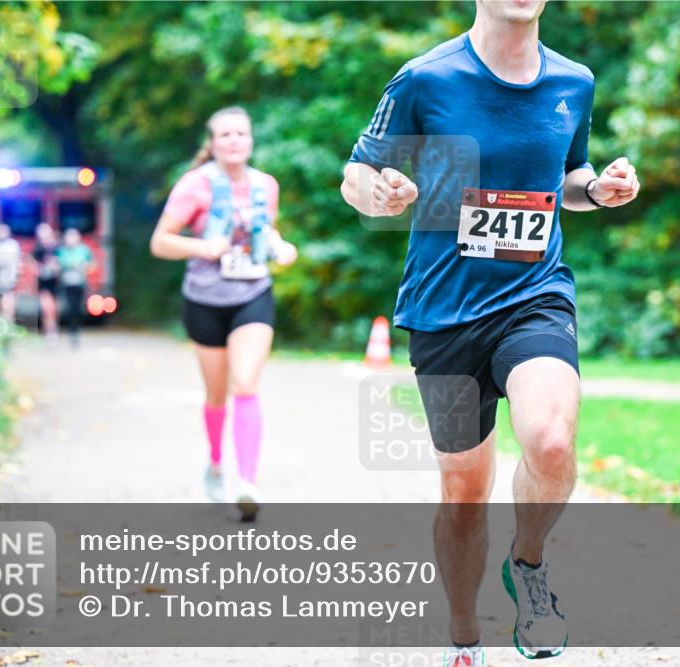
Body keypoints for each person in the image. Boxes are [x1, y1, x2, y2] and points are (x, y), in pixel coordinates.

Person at [341, 1, 640, 664]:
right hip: (444, 312)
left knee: (552, 440)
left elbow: (569, 176)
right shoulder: (426, 78)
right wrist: (378, 194)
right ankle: (463, 634)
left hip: (535, 295)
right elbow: (356, 174)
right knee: (464, 494)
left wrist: (599, 189)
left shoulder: (574, 82)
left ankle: (527, 563)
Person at [150, 106, 297, 521]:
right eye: (225, 135)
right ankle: (215, 463)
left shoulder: (265, 185)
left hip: (253, 294)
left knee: (245, 383)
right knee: (217, 395)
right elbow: (160, 242)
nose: (234, 141)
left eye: (241, 134)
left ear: (250, 140)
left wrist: (280, 247)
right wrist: (202, 248)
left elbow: (264, 230)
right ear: (212, 143)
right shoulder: (194, 186)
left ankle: (247, 483)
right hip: (204, 299)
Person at [56, 227, 94, 348]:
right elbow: (57, 265)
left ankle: (76, 330)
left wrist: (84, 267)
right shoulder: (61, 251)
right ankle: (72, 331)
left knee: (78, 308)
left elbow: (92, 265)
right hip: (66, 284)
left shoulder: (84, 250)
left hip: (80, 284)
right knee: (70, 308)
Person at [33, 223, 61, 343]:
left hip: (56, 284)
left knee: (54, 309)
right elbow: (34, 266)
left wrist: (56, 267)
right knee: (47, 308)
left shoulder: (57, 249)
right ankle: (49, 332)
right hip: (43, 284)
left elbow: (61, 265)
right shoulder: (37, 250)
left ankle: (52, 330)